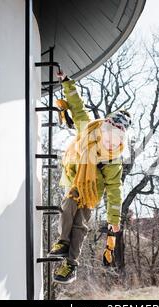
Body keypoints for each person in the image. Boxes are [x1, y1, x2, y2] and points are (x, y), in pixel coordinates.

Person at [48, 71, 131, 284]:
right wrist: (66, 82)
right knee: (68, 204)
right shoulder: (89, 129)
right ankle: (62, 242)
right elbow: (77, 107)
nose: (111, 143)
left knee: (81, 226)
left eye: (117, 140)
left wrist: (114, 219)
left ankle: (70, 265)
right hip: (75, 180)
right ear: (103, 130)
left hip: (92, 191)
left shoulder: (114, 159)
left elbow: (114, 189)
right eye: (109, 137)